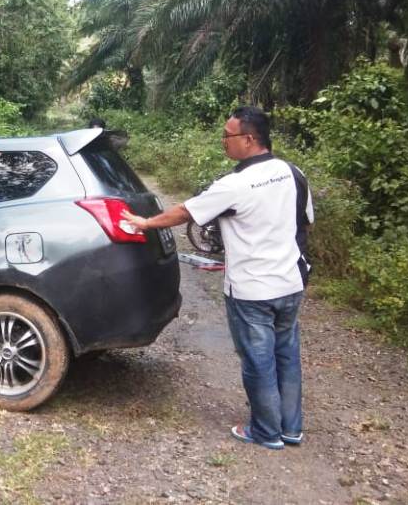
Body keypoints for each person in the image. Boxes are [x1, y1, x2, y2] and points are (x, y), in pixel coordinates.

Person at [120, 106, 313, 451]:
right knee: (286, 354)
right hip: (290, 283)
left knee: (258, 360)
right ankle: (291, 427)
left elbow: (184, 212)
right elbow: (304, 221)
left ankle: (266, 431)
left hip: (252, 287)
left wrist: (145, 223)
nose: (223, 141)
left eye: (228, 135)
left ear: (250, 139)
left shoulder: (234, 184)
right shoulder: (292, 172)